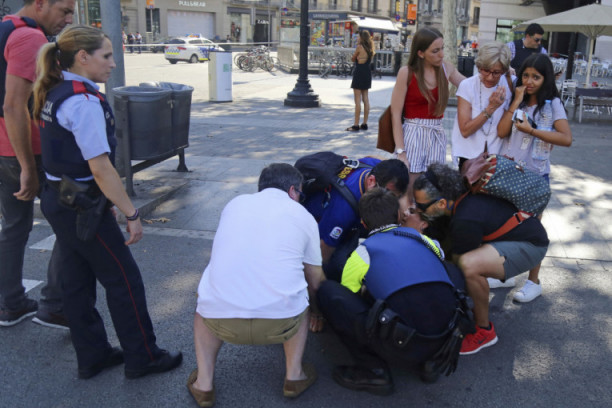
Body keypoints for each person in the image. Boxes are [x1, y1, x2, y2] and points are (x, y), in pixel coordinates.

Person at [33, 25, 182, 379]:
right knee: (124, 280)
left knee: (76, 279)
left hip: (60, 197)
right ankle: (143, 356)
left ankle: (93, 355)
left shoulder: (55, 89)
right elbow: (100, 168)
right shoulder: (82, 102)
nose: (113, 64)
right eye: (107, 55)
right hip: (81, 205)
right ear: (83, 57)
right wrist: (131, 212)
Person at [188, 163, 325, 407]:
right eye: (300, 194)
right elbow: (315, 279)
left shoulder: (234, 204)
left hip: (220, 322)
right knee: (300, 295)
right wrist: (317, 312)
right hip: (282, 323)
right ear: (292, 191)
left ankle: (204, 385)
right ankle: (294, 376)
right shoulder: (303, 215)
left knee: (205, 304)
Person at [317, 187, 466, 395]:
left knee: (329, 292)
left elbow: (348, 297)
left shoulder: (362, 253)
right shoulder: (423, 239)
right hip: (443, 334)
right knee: (450, 270)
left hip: (399, 342)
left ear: (363, 223)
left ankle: (374, 370)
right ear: (398, 216)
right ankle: (433, 360)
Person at [413, 163, 549, 355]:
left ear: (442, 203)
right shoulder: (460, 198)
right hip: (516, 235)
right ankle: (479, 302)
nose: (417, 210)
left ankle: (484, 331)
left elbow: (455, 265)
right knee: (465, 262)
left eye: (420, 206)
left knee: (469, 265)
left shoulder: (465, 218)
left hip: (531, 246)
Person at [0, 0, 75, 328]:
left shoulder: (6, 28)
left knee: (14, 226)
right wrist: (28, 168)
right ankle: (55, 305)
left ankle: (11, 304)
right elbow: (13, 105)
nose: (68, 19)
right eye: (64, 11)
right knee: (73, 223)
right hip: (30, 151)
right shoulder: (30, 38)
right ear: (41, 4)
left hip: (5, 148)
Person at [496, 53, 572, 302]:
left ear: (545, 78)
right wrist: (516, 101)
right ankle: (505, 273)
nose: (529, 81)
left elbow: (566, 138)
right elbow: (502, 132)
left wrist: (532, 131)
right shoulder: (516, 99)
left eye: (536, 77)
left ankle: (533, 281)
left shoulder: (552, 104)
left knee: (532, 229)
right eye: (526, 75)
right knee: (504, 226)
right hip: (509, 172)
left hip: (535, 176)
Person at [302, 158, 409, 282]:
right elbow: (322, 252)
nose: (391, 202)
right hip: (319, 231)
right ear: (371, 181)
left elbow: (371, 156)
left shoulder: (376, 166)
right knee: (339, 266)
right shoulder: (342, 213)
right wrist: (323, 287)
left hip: (340, 215)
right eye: (388, 195)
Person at [390, 27, 465, 194]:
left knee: (433, 190)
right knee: (410, 189)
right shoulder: (406, 73)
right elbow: (395, 114)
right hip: (413, 134)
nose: (441, 54)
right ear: (421, 53)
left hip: (436, 134)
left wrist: (502, 74)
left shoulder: (446, 68)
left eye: (442, 48)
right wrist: (401, 151)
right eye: (435, 51)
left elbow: (470, 86)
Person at [451, 41, 512, 170]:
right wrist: (490, 108)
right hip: (469, 157)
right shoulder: (467, 86)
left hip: (499, 159)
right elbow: (465, 131)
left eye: (496, 72)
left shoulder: (510, 85)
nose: (490, 77)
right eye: (485, 71)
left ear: (503, 71)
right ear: (479, 67)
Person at [346, 31, 375, 132]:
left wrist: (357, 57)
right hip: (367, 73)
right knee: (366, 99)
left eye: (359, 37)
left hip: (359, 73)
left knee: (357, 100)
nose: (358, 38)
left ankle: (356, 125)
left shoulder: (359, 47)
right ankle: (364, 123)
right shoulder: (371, 48)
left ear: (362, 38)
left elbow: (353, 59)